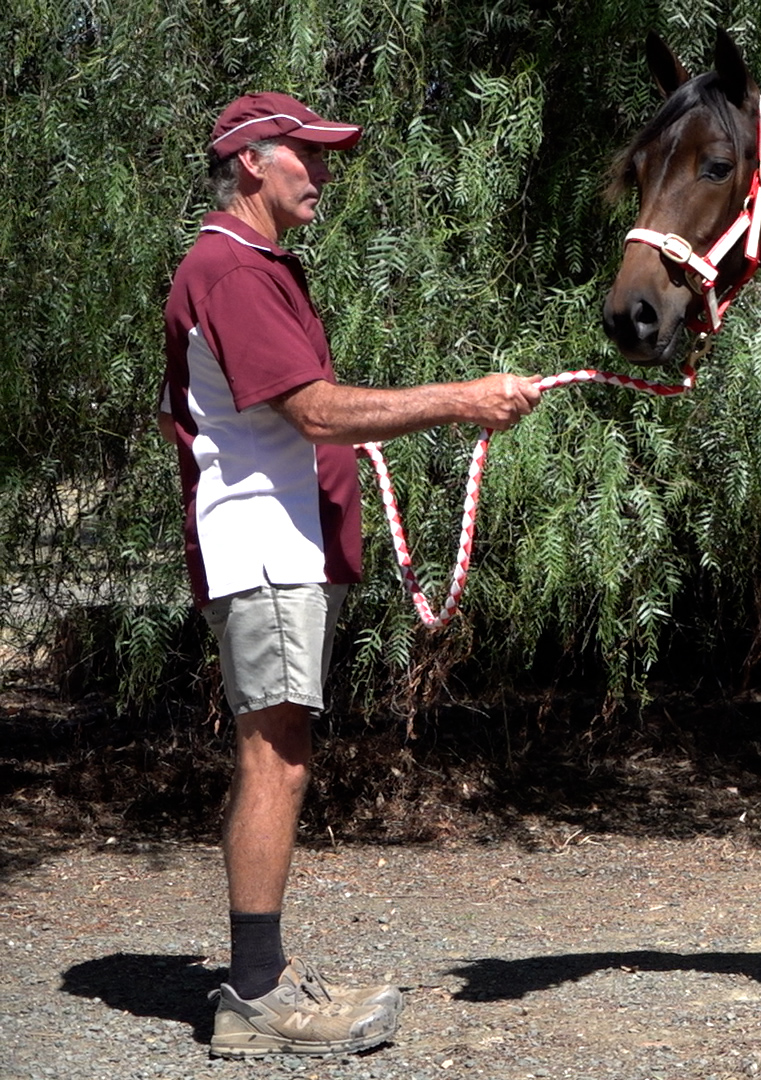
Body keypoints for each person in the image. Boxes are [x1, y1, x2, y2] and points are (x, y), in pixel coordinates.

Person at [158, 91, 545, 1057]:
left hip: (275, 548)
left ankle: (264, 978)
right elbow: (318, 412)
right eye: (309, 155)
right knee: (275, 757)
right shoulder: (230, 270)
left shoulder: (249, 266)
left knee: (279, 748)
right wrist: (465, 399)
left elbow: (237, 416)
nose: (324, 173)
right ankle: (256, 997)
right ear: (252, 162)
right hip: (264, 549)